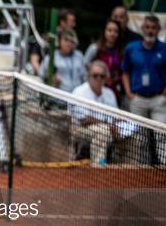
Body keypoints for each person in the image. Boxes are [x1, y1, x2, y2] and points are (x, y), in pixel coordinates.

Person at [121, 14, 166, 163]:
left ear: (159, 29)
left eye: (153, 27)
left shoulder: (164, 49)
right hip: (137, 98)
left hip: (158, 99)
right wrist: (128, 92)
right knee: (139, 138)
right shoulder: (131, 48)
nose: (150, 31)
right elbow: (125, 71)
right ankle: (140, 172)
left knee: (162, 136)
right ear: (142, 29)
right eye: (147, 27)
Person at [70, 60, 119, 167]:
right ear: (88, 76)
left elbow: (116, 116)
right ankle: (99, 167)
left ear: (106, 78)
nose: (98, 78)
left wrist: (117, 126)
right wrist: (109, 126)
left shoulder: (110, 94)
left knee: (136, 137)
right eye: (95, 75)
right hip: (80, 130)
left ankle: (127, 170)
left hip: (109, 128)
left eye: (102, 76)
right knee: (103, 131)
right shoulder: (79, 92)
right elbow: (84, 120)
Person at [84, 19, 124, 106]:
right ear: (104, 32)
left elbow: (122, 72)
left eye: (116, 31)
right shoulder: (94, 48)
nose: (112, 34)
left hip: (113, 92)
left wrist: (115, 78)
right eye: (109, 30)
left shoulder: (120, 52)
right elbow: (85, 66)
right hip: (95, 89)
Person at [39, 29, 86, 93]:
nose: (69, 44)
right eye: (66, 40)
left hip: (76, 97)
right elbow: (41, 76)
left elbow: (84, 77)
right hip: (59, 96)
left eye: (71, 41)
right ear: (59, 41)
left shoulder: (79, 56)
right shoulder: (52, 57)